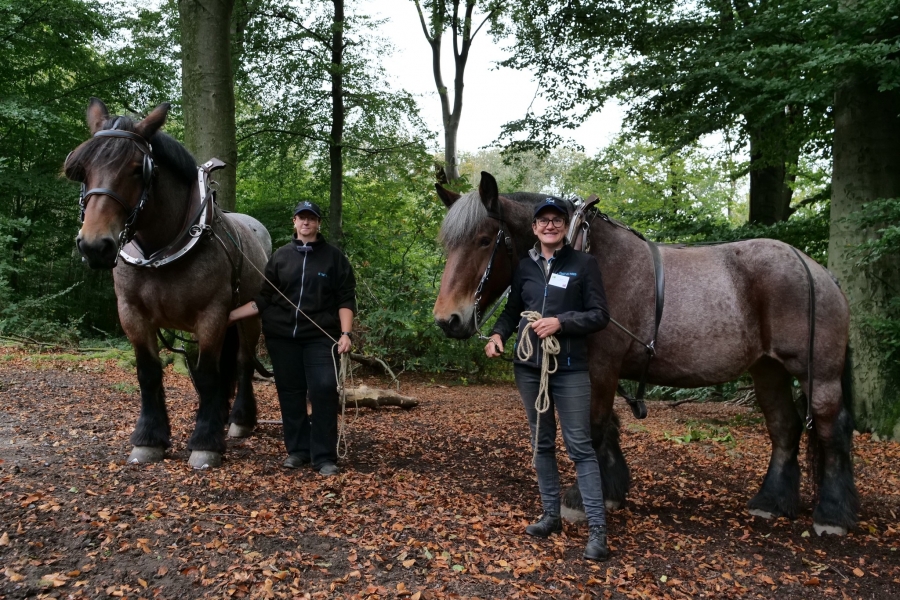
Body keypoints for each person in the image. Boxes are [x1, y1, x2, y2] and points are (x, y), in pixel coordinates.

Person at [484, 197, 611, 561]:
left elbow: (600, 315)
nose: (550, 225)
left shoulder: (584, 265)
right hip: (527, 367)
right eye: (544, 220)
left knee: (580, 449)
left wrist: (562, 322)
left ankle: (597, 530)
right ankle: (551, 515)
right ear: (535, 227)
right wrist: (497, 336)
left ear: (565, 226)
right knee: (541, 443)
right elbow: (511, 312)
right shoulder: (524, 266)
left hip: (569, 367)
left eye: (557, 220)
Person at [229, 200, 356, 476]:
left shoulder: (334, 258)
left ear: (318, 223)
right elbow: (263, 299)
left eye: (311, 218)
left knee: (323, 390)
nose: (306, 222)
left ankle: (324, 457)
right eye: (302, 218)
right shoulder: (280, 257)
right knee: (290, 394)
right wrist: (228, 315)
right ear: (294, 222)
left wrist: (345, 334)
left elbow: (346, 299)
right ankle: (297, 451)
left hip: (322, 338)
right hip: (282, 338)